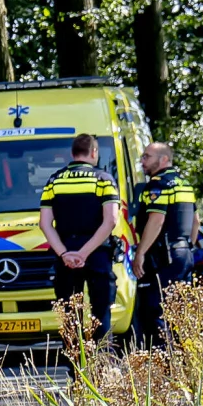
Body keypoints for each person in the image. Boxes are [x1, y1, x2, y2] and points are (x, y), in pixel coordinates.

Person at [39, 132, 125, 344]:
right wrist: (84, 253)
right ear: (94, 152)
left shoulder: (54, 181)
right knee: (100, 313)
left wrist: (65, 254)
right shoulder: (103, 179)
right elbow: (111, 220)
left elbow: (45, 224)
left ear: (73, 153)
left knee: (70, 316)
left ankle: (74, 362)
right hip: (97, 254)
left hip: (65, 254)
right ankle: (101, 359)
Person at [128, 141, 199, 346]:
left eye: (147, 157)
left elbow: (156, 221)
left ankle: (165, 357)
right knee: (179, 310)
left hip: (164, 256)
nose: (142, 161)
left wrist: (140, 253)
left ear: (164, 159)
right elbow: (196, 222)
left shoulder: (158, 184)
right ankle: (182, 355)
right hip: (183, 254)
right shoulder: (184, 184)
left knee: (156, 309)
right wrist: (188, 247)